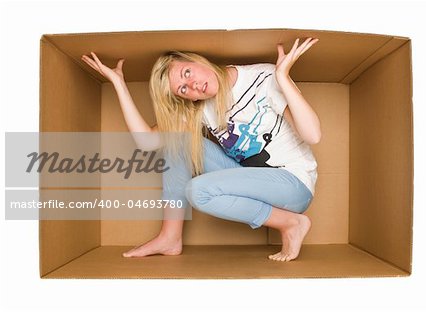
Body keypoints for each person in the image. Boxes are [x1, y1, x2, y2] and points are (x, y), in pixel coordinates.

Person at [81, 37, 321, 262]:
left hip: (292, 185)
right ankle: (170, 237)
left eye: (187, 72)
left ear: (195, 59)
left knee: (198, 191)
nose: (194, 86)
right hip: (251, 181)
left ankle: (290, 223)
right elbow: (147, 142)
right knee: (177, 143)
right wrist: (118, 83)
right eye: (184, 90)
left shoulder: (263, 78)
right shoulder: (199, 108)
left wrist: (283, 77)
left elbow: (313, 135)